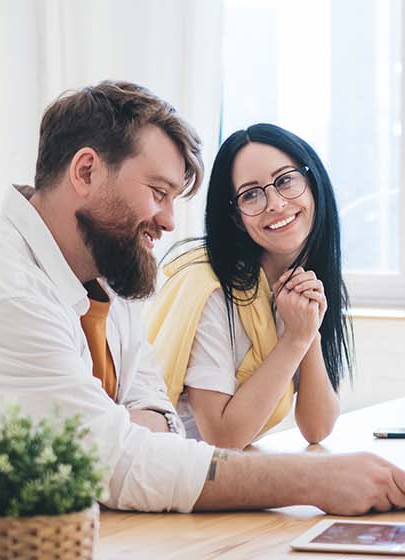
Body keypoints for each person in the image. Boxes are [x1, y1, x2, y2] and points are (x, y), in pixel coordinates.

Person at [0, 82, 405, 560]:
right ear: (87, 172)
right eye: (158, 191)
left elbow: (148, 413)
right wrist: (314, 478)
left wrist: (130, 438)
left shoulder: (107, 279)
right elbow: (121, 463)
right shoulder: (4, 297)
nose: (170, 221)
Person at [146, 124, 350, 450]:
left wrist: (308, 331)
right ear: (237, 217)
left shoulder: (299, 287)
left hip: (221, 475)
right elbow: (223, 437)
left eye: (285, 181)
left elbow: (317, 427)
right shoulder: (209, 290)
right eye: (251, 194)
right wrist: (295, 338)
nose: (276, 203)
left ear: (313, 184)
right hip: (173, 476)